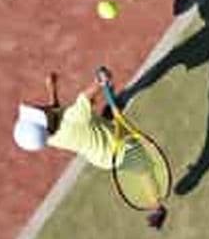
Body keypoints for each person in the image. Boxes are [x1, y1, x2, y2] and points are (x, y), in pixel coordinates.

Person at [13, 69, 167, 230]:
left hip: (99, 157)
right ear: (45, 120)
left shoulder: (50, 137)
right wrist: (100, 79)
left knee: (94, 120)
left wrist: (52, 88)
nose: (38, 107)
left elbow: (53, 110)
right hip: (121, 151)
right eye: (38, 111)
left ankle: (105, 117)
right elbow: (92, 89)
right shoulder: (74, 117)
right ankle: (157, 207)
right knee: (145, 170)